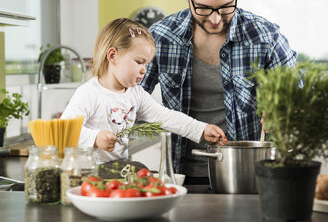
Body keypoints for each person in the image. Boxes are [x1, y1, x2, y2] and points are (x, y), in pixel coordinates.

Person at [140, 0, 297, 184]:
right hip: (182, 176)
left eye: (225, 7)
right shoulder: (161, 37)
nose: (215, 19)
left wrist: (282, 107)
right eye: (203, 8)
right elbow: (131, 98)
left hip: (252, 176)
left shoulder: (266, 37)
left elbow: (298, 94)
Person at [61, 18, 227, 164]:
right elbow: (65, 130)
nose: (144, 70)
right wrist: (95, 139)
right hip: (89, 171)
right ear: (112, 56)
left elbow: (165, 117)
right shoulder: (89, 93)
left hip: (119, 166)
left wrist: (202, 129)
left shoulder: (135, 94)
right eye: (139, 62)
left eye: (146, 64)